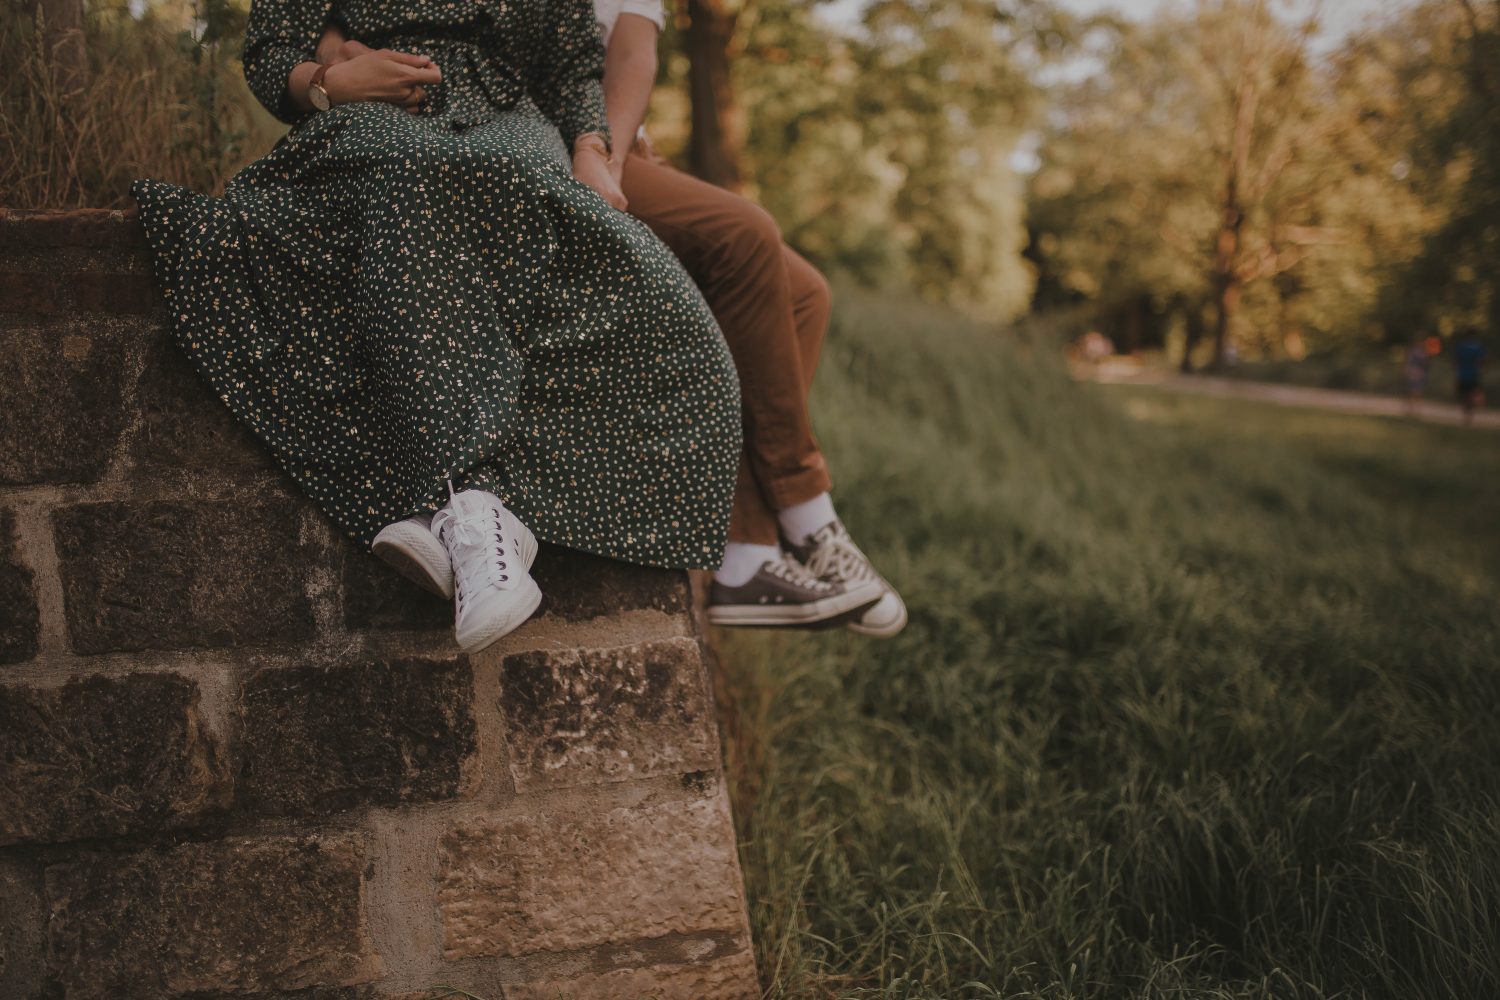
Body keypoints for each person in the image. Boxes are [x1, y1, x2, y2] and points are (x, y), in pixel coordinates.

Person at [126, 0, 795, 654]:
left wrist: (593, 149)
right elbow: (273, 51)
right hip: (372, 117)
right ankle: (475, 514)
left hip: (511, 122)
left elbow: (571, 69)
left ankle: (457, 516)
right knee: (414, 173)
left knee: (642, 277)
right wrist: (331, 84)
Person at [317, 0, 906, 635]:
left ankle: (750, 552)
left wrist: (610, 156)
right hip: (535, 133)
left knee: (805, 293)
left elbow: (632, 52)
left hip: (604, 143)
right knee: (745, 233)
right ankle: (804, 520)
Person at [1454, 330, 1487, 426]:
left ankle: (1467, 416)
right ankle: (1471, 413)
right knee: (1473, 393)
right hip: (1473, 374)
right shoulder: (1477, 347)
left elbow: (1456, 359)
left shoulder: (1461, 347)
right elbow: (1483, 359)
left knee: (1464, 395)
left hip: (1463, 374)